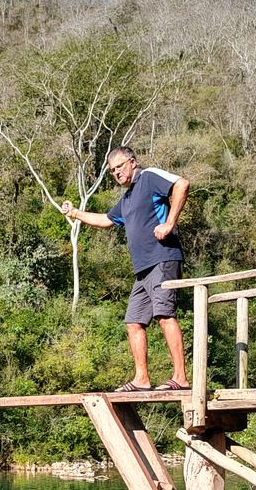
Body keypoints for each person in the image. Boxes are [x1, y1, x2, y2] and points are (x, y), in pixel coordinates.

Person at [61, 146, 190, 392]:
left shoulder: (149, 178)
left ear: (132, 162)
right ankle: (142, 378)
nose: (116, 173)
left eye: (119, 167)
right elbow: (106, 220)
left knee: (164, 315)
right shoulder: (127, 199)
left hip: (162, 259)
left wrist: (169, 223)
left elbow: (182, 184)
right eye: (112, 171)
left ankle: (180, 378)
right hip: (142, 270)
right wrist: (76, 213)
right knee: (134, 322)